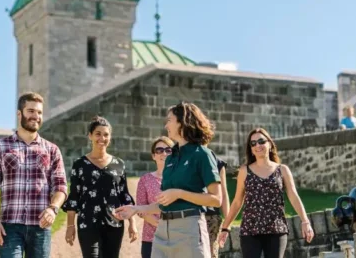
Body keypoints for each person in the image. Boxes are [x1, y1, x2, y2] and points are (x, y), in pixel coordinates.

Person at [115, 101, 222, 258]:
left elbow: (216, 199)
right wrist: (137, 209)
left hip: (189, 229)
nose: (166, 125)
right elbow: (165, 201)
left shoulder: (202, 154)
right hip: (162, 231)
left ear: (182, 122)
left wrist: (179, 193)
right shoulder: (171, 158)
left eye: (170, 120)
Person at [0, 92, 68, 258]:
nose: (36, 116)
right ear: (19, 114)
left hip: (41, 227)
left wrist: (53, 208)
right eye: (31, 111)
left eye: (39, 112)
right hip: (9, 227)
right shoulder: (0, 147)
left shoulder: (52, 150)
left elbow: (61, 186)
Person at [217, 128, 314, 258]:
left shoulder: (282, 170)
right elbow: (237, 201)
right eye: (253, 143)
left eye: (261, 141)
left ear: (269, 144)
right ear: (251, 149)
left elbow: (293, 196)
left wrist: (305, 221)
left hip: (276, 229)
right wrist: (225, 227)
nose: (257, 145)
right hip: (250, 230)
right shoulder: (244, 171)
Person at [63, 116, 139, 258]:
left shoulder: (119, 164)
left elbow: (124, 195)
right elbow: (73, 197)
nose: (102, 138)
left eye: (106, 134)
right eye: (98, 134)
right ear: (90, 136)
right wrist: (70, 226)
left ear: (110, 137)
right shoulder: (79, 164)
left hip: (114, 223)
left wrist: (132, 223)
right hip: (87, 224)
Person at [135, 136, 175, 258]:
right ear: (153, 156)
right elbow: (140, 208)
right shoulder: (145, 180)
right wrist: (159, 225)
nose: (164, 153)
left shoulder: (180, 179)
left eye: (168, 150)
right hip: (151, 238)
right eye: (159, 150)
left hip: (177, 238)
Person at [204, 151, 230, 258]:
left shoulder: (217, 161)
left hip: (211, 218)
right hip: (189, 216)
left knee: (211, 255)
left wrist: (227, 226)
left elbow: (224, 193)